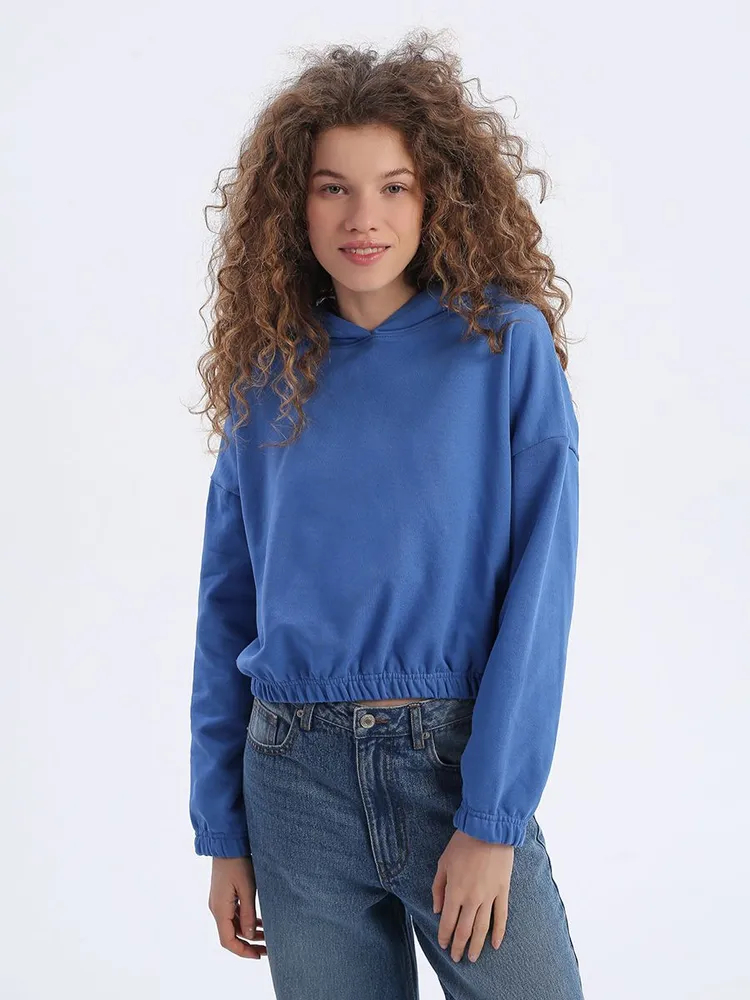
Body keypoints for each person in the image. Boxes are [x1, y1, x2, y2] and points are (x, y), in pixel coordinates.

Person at [188, 29, 585, 1000]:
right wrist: (223, 831)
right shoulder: (267, 376)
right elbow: (226, 609)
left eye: (393, 186)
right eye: (334, 187)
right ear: (296, 204)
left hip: (449, 764)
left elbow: (540, 591)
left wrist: (492, 818)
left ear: (435, 196)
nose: (362, 217)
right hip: (291, 780)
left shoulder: (503, 350)